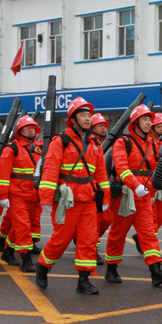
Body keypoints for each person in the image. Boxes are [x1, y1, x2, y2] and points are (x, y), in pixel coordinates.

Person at [36, 97, 111, 294]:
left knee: (88, 240)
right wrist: (45, 198)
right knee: (61, 239)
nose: (88, 119)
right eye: (83, 115)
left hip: (89, 199)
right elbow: (50, 170)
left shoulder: (95, 143)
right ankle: (43, 265)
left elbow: (101, 173)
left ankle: (84, 281)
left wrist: (106, 197)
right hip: (66, 200)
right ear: (73, 119)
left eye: (89, 115)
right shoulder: (60, 141)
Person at [104, 105, 162, 286]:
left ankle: (156, 271)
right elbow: (121, 168)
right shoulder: (122, 142)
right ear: (135, 123)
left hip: (144, 196)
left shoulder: (152, 143)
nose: (149, 123)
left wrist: (152, 192)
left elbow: (154, 170)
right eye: (145, 119)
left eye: (149, 119)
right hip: (126, 196)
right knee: (118, 233)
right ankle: (111, 269)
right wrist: (136, 186)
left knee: (149, 233)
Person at [0, 116, 41, 272]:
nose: (31, 130)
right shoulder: (11, 149)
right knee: (23, 227)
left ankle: (8, 252)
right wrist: (3, 197)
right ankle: (26, 259)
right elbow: (3, 176)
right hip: (16, 195)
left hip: (34, 195)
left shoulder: (38, 148)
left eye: (33, 128)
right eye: (27, 128)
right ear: (19, 131)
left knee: (23, 226)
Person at [91, 113, 110, 266]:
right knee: (94, 222)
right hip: (90, 187)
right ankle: (92, 249)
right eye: (99, 125)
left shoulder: (109, 142)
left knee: (106, 219)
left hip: (104, 186)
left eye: (104, 125)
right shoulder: (89, 143)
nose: (103, 128)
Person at [150, 113, 162, 237]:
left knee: (161, 217)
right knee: (152, 218)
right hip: (149, 184)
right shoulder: (147, 142)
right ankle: (151, 242)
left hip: (161, 184)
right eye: (158, 126)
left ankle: (145, 238)